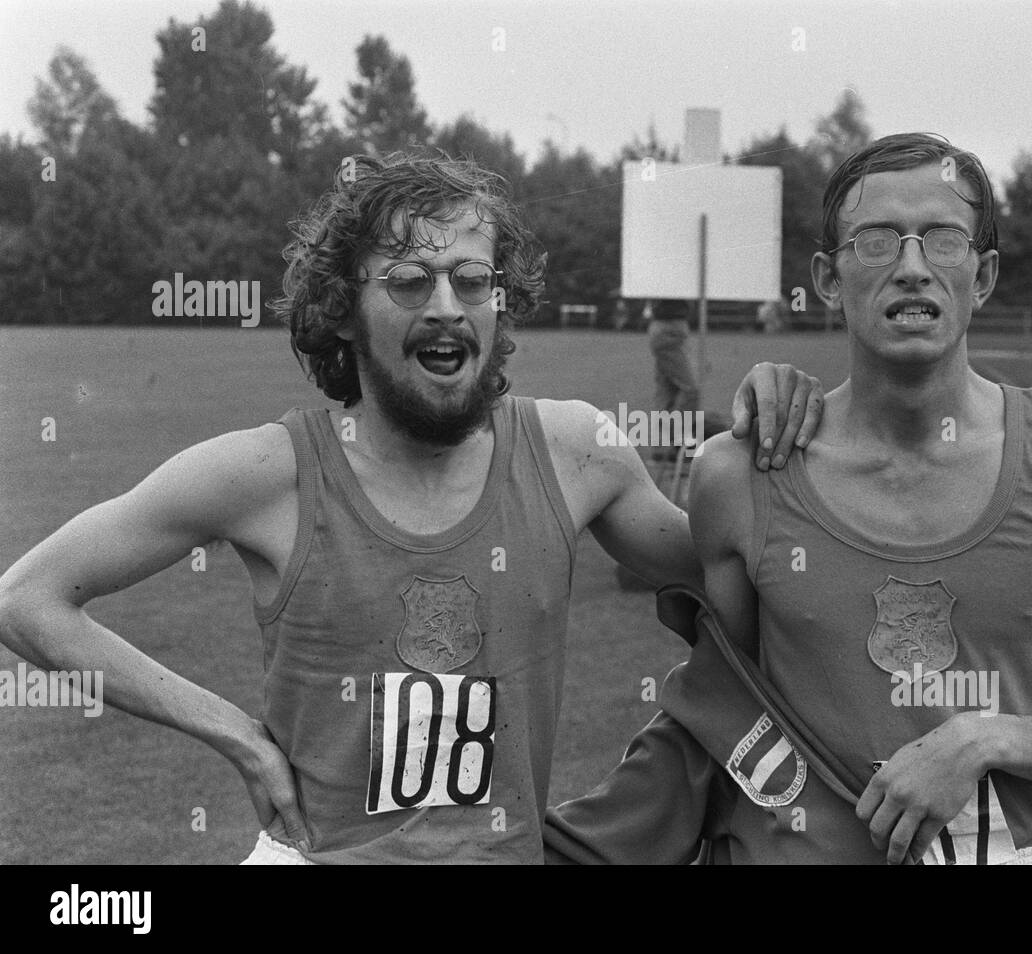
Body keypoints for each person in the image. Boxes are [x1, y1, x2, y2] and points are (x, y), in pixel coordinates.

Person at [0, 152, 824, 865]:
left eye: (472, 280)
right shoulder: (264, 472)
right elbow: (29, 599)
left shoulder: (576, 450)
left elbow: (747, 582)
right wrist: (235, 734)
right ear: (345, 310)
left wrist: (767, 428)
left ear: (499, 306)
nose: (444, 304)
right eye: (406, 280)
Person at [546, 132, 1032, 865]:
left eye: (942, 240)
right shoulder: (739, 475)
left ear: (982, 275)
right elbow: (729, 707)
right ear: (828, 277)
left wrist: (983, 738)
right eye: (878, 241)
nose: (912, 267)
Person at [645, 299, 700, 413]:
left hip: (667, 329)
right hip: (668, 330)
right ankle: (676, 426)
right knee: (690, 390)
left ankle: (664, 425)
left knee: (668, 389)